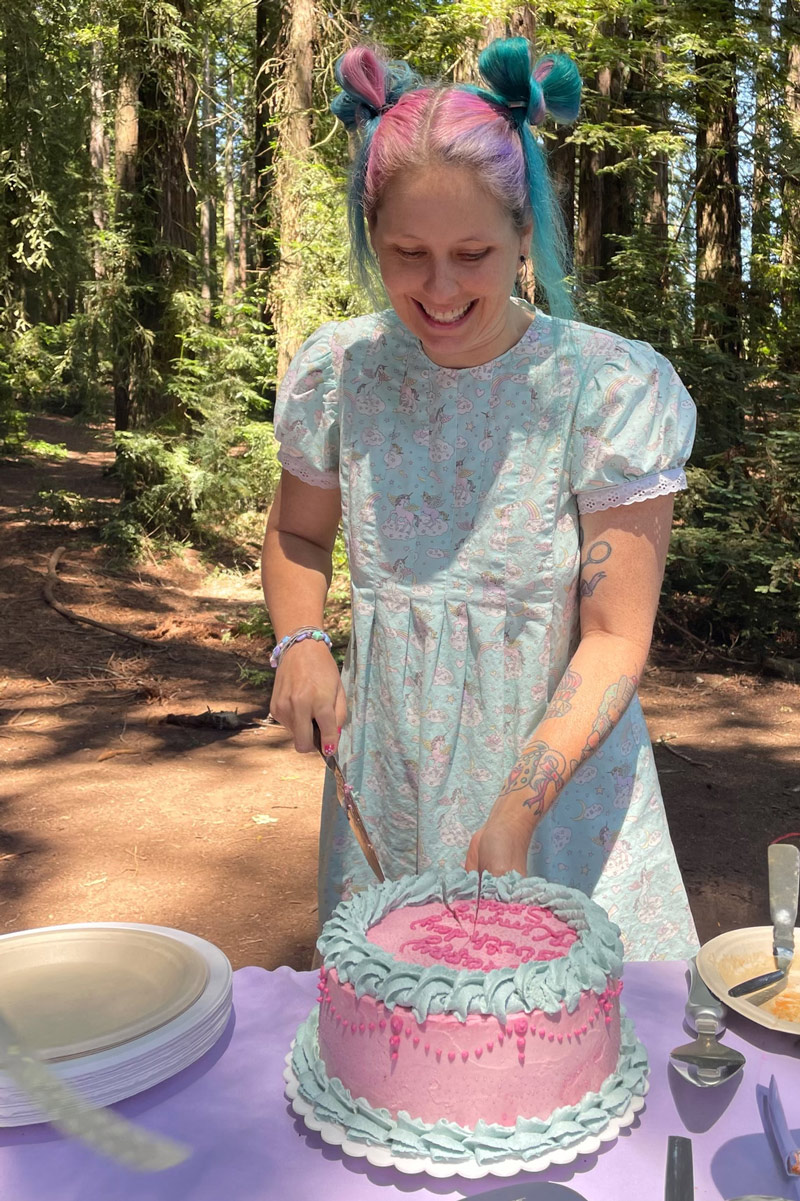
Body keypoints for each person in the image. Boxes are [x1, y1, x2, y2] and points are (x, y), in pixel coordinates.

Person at [262, 37, 699, 959]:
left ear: (524, 234)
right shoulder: (340, 376)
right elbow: (298, 536)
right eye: (407, 253)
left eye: (474, 252)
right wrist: (299, 643)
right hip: (392, 779)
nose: (441, 286)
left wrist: (517, 808)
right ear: (370, 237)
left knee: (573, 1060)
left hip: (558, 791)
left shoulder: (605, 390)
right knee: (405, 1049)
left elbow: (617, 634)